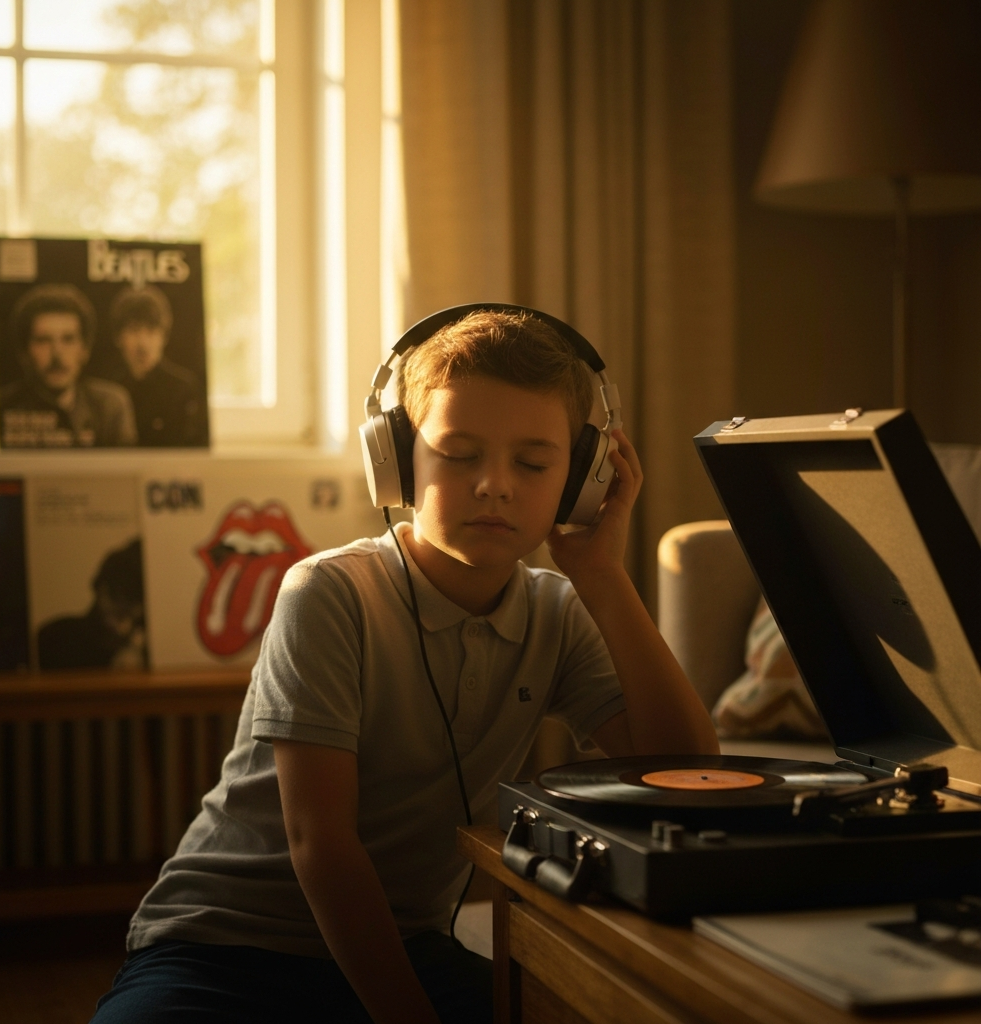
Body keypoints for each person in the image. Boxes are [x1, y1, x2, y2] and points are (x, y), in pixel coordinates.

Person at [92, 309, 718, 1024]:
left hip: (403, 940)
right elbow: (320, 843)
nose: (495, 485)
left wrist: (603, 574)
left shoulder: (559, 611)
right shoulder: (329, 594)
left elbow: (693, 774)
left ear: (582, 478)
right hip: (225, 944)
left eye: (534, 463)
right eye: (459, 454)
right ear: (394, 461)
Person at [0, 284, 137, 448]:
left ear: (84, 350)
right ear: (24, 352)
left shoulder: (111, 406)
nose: (57, 354)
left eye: (68, 339)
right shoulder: (1, 407)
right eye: (43, 340)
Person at [110, 285, 208, 447]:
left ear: (164, 336)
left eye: (151, 331)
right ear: (118, 337)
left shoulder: (184, 389)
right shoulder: (108, 391)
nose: (143, 343)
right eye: (134, 330)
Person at [37, 538, 148, 671]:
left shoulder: (145, 646)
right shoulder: (55, 638)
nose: (125, 627)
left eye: (135, 618)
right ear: (103, 591)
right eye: (120, 613)